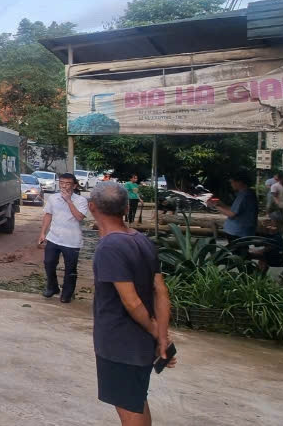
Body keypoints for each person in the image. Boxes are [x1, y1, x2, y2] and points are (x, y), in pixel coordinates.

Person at [88, 181, 174, 425]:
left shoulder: (110, 247)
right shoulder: (141, 240)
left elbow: (131, 301)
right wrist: (161, 335)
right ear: (126, 208)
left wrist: (156, 332)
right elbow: (161, 291)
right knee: (135, 400)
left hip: (120, 342)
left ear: (92, 207)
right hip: (138, 343)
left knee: (128, 407)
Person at [37, 172, 89, 303]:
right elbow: (48, 215)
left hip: (72, 241)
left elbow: (79, 217)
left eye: (68, 184)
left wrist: (69, 201)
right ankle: (52, 287)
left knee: (70, 268)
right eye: (62, 183)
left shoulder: (81, 200)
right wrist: (43, 233)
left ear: (75, 185)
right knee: (49, 263)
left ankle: (67, 293)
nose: (64, 186)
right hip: (54, 237)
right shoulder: (53, 198)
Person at [208, 173, 258, 241]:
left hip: (238, 232)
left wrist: (215, 206)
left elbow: (231, 214)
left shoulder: (244, 196)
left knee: (238, 251)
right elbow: (235, 210)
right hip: (241, 231)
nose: (231, 184)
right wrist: (221, 204)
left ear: (239, 182)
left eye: (232, 182)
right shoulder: (247, 193)